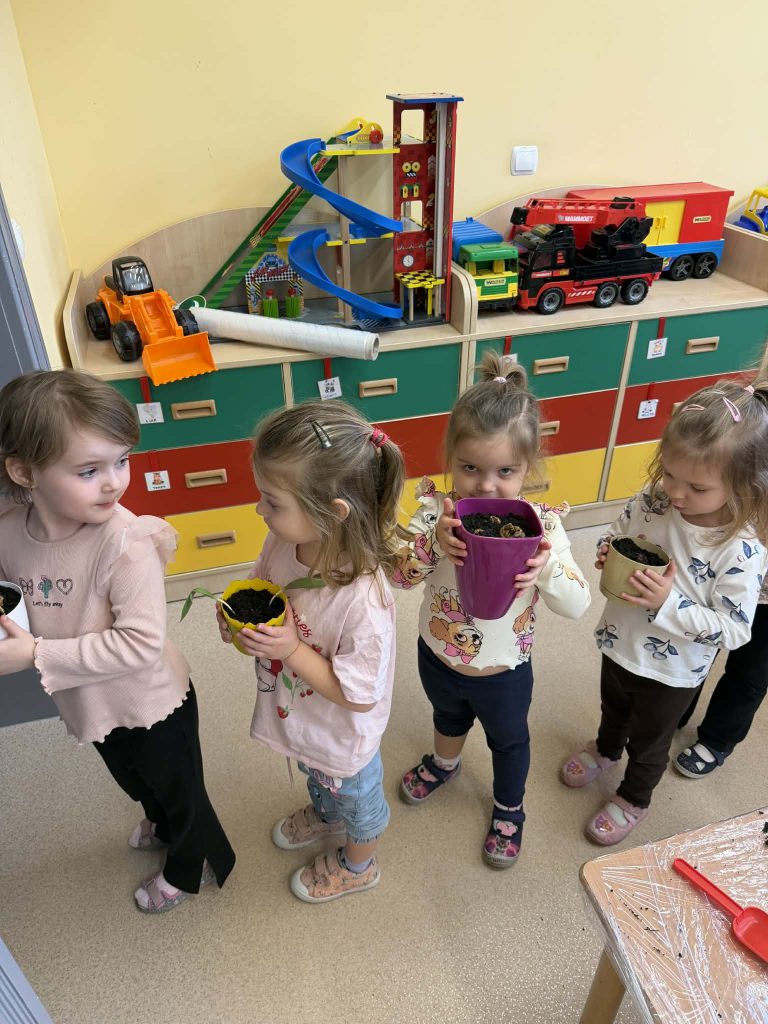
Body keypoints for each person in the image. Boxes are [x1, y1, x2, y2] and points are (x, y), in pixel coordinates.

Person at [0, 369, 235, 912]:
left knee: (182, 792)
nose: (114, 483)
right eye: (89, 470)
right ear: (24, 471)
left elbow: (140, 643)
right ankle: (161, 822)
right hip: (90, 700)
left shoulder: (128, 544)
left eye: (121, 461)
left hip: (153, 704)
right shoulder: (10, 531)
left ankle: (188, 866)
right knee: (134, 779)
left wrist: (34, 654)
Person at [391, 351, 591, 868]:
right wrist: (432, 545)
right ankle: (445, 763)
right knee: (446, 717)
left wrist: (545, 566)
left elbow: (577, 604)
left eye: (505, 471)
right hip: (438, 655)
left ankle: (509, 808)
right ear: (449, 459)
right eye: (470, 468)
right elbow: (398, 577)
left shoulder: (543, 528)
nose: (485, 485)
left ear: (528, 467)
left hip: (504, 672)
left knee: (508, 741)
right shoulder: (435, 514)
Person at [561, 379, 768, 844]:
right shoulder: (655, 499)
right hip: (620, 639)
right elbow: (618, 528)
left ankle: (634, 797)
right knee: (613, 707)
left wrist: (668, 604)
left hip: (673, 671)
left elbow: (734, 631)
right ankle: (605, 750)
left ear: (742, 484)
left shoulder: (741, 548)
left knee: (651, 739)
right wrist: (607, 549)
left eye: (697, 486)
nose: (676, 492)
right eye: (670, 473)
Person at [217, 400, 405, 903]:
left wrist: (291, 649)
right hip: (303, 715)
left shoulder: (364, 601)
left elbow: (358, 696)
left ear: (332, 513)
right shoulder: (283, 544)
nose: (259, 511)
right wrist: (236, 618)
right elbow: (263, 585)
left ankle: (359, 865)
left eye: (272, 502)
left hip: (344, 734)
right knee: (314, 773)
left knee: (358, 803)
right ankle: (325, 814)